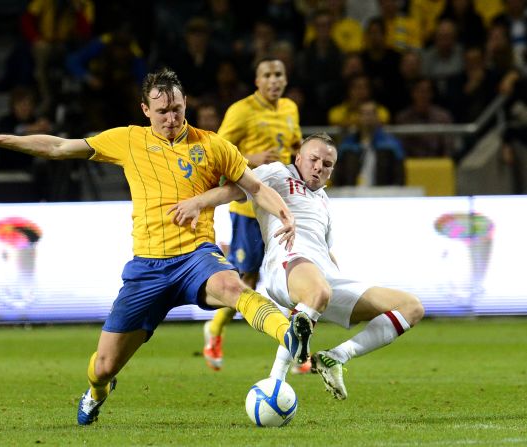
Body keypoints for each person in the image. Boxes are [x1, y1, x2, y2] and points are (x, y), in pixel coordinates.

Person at [0, 67, 314, 425]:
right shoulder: (128, 140)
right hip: (148, 268)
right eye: (162, 112)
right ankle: (97, 391)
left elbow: (255, 188)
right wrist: (0, 140)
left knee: (232, 286)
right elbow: (60, 147)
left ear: (186, 102)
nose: (171, 118)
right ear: (145, 110)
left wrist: (286, 215)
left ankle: (290, 335)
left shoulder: (213, 145)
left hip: (195, 257)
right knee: (104, 366)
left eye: (177, 109)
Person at [169, 132, 424, 400]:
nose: (318, 167)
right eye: (314, 159)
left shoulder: (324, 201)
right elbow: (234, 191)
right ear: (298, 158)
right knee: (317, 292)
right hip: (288, 262)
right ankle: (277, 380)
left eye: (326, 165)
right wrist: (198, 202)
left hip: (324, 276)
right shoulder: (277, 172)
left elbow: (326, 249)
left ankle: (335, 357)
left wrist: (338, 277)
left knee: (411, 307)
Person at [201, 57, 302, 372]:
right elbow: (215, 150)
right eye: (268, 75)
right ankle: (214, 330)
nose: (274, 80)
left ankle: (299, 346)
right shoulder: (241, 110)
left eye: (279, 74)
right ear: (257, 80)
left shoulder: (290, 109)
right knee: (247, 278)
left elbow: (295, 143)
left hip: (282, 205)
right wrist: (250, 157)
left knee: (296, 271)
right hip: (248, 206)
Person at [333, 100, 405, 187]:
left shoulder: (392, 145)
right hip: (352, 196)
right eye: (364, 113)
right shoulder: (346, 145)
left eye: (371, 113)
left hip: (383, 196)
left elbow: (399, 179)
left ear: (378, 117)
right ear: (358, 117)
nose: (368, 117)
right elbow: (338, 179)